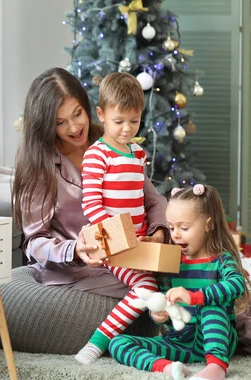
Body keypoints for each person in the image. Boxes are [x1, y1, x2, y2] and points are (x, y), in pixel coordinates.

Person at [12, 67, 251, 365]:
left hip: (137, 249)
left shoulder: (112, 141)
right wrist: (76, 251)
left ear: (89, 108)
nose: (74, 127)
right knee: (194, 281)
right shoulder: (39, 170)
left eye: (77, 113)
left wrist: (157, 231)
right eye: (60, 121)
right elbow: (35, 243)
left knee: (207, 265)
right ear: (46, 125)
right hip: (88, 269)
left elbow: (151, 197)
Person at [109, 184, 251, 380]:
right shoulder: (172, 263)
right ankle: (167, 368)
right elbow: (164, 300)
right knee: (118, 343)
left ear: (208, 225)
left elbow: (236, 284)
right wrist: (159, 314)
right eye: (171, 227)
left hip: (215, 340)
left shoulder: (221, 260)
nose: (176, 235)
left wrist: (195, 297)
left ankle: (216, 366)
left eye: (184, 228)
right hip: (179, 343)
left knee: (212, 306)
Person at [76, 72, 159, 364]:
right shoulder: (97, 155)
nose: (127, 129)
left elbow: (140, 199)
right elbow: (92, 206)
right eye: (119, 121)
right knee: (147, 287)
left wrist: (146, 236)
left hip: (139, 241)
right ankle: (97, 343)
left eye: (134, 121)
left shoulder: (137, 153)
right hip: (113, 243)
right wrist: (119, 237)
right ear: (101, 114)